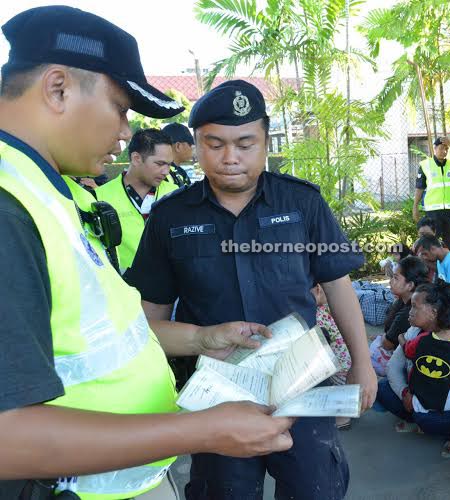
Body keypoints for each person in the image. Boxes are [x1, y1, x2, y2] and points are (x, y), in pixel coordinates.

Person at [0, 6, 295, 500]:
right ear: (58, 88)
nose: (125, 131)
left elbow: (97, 333)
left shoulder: (50, 193)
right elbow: (8, 434)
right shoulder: (9, 208)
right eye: (120, 108)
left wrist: (203, 339)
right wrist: (205, 430)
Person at [125, 79, 377, 500]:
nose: (230, 158)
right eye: (214, 144)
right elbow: (148, 321)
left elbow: (337, 284)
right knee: (226, 492)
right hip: (218, 392)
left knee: (315, 487)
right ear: (197, 145)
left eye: (245, 143)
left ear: (264, 141)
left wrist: (363, 363)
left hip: (303, 383)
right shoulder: (169, 218)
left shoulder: (301, 203)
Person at [378, 281, 450, 457]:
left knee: (425, 417)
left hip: (447, 405)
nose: (410, 311)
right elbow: (393, 367)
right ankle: (417, 418)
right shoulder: (415, 333)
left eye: (415, 307)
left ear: (434, 313)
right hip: (419, 396)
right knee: (382, 388)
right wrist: (405, 394)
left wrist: (422, 404)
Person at [96, 128, 178, 273]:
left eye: (169, 164)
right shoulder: (99, 197)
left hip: (170, 288)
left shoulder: (176, 194)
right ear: (136, 159)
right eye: (159, 164)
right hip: (122, 288)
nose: (166, 171)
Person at [369, 256, 430, 375]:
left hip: (403, 366)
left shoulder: (409, 313)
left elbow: (387, 344)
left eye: (395, 278)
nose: (391, 281)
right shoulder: (402, 301)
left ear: (410, 285)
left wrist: (383, 337)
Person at [413, 136, 450, 251]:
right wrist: (415, 206)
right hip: (433, 211)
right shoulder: (425, 165)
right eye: (441, 148)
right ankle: (433, 268)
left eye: (446, 149)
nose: (444, 151)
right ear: (434, 148)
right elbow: (420, 187)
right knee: (432, 243)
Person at [312, 284, 352, 429]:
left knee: (338, 390)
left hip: (339, 365)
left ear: (317, 290)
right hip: (347, 360)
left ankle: (343, 419)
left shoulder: (316, 316)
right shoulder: (327, 309)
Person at [162, 122, 194, 187]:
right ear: (178, 146)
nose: (192, 148)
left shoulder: (181, 172)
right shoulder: (162, 173)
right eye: (190, 144)